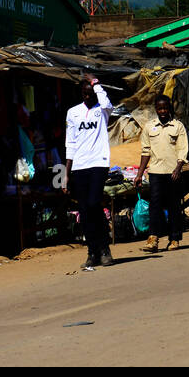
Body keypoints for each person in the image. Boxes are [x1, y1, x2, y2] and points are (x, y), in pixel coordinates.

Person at [66, 74, 115, 268]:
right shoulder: (73, 112)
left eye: (90, 93)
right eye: (85, 94)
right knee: (85, 210)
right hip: (79, 165)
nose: (88, 97)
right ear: (81, 93)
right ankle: (92, 251)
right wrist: (66, 173)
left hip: (98, 163)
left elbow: (106, 102)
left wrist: (96, 84)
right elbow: (70, 143)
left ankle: (104, 248)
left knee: (95, 203)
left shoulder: (102, 110)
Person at [136, 95, 189, 250]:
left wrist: (178, 169)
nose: (163, 111)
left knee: (174, 206)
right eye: (160, 108)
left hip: (173, 172)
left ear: (169, 108)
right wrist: (139, 174)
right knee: (155, 205)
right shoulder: (149, 127)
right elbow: (145, 151)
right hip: (155, 172)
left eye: (165, 107)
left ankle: (174, 239)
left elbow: (183, 149)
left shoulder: (177, 126)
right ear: (156, 109)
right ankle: (153, 238)